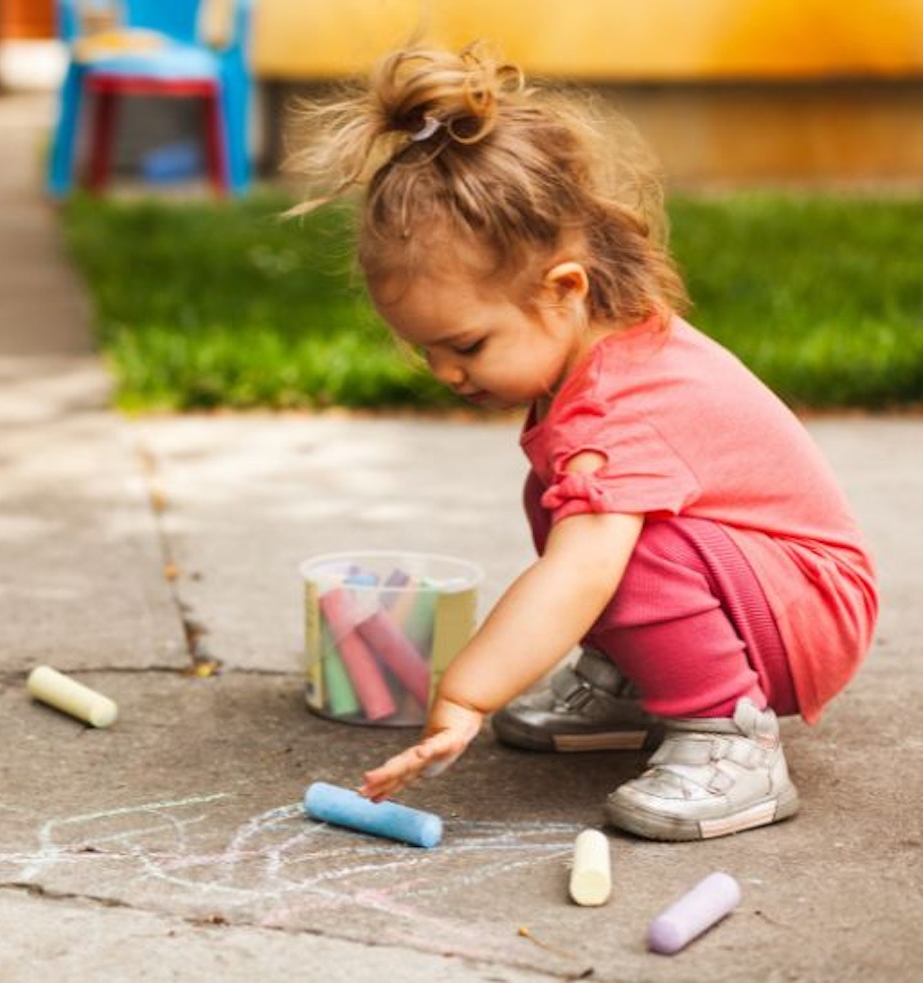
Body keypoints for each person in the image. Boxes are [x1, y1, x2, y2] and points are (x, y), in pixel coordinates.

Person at [287, 44, 878, 841]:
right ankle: (640, 682)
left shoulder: (619, 408)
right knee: (566, 497)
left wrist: (466, 693)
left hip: (806, 607)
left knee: (617, 546)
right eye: (424, 349)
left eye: (466, 345)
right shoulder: (593, 359)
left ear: (565, 289)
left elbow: (578, 576)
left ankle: (730, 740)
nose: (446, 372)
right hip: (769, 591)